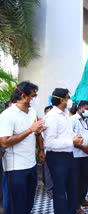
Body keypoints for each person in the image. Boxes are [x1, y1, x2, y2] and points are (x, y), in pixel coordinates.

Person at [0, 81, 46, 214]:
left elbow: (34, 132)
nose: (35, 98)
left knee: (28, 201)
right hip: (16, 168)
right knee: (16, 204)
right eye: (34, 95)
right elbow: (4, 142)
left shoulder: (32, 112)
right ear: (24, 96)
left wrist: (38, 135)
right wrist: (31, 130)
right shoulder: (7, 115)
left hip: (31, 164)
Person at [43, 88, 85, 214]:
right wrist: (72, 142)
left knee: (72, 186)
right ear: (61, 100)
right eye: (68, 97)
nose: (69, 100)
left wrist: (75, 138)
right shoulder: (52, 116)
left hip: (68, 155)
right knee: (60, 190)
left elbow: (67, 133)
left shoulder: (65, 113)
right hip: (56, 158)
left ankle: (72, 210)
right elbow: (49, 142)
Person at [70, 101, 88, 208]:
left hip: (86, 154)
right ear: (79, 108)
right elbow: (70, 138)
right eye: (86, 108)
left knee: (85, 178)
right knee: (76, 180)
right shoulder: (72, 120)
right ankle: (75, 205)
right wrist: (82, 147)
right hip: (76, 155)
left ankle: (82, 199)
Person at [43, 106, 54, 199]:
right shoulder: (43, 123)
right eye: (47, 112)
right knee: (48, 172)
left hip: (57, 151)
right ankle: (50, 190)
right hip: (47, 150)